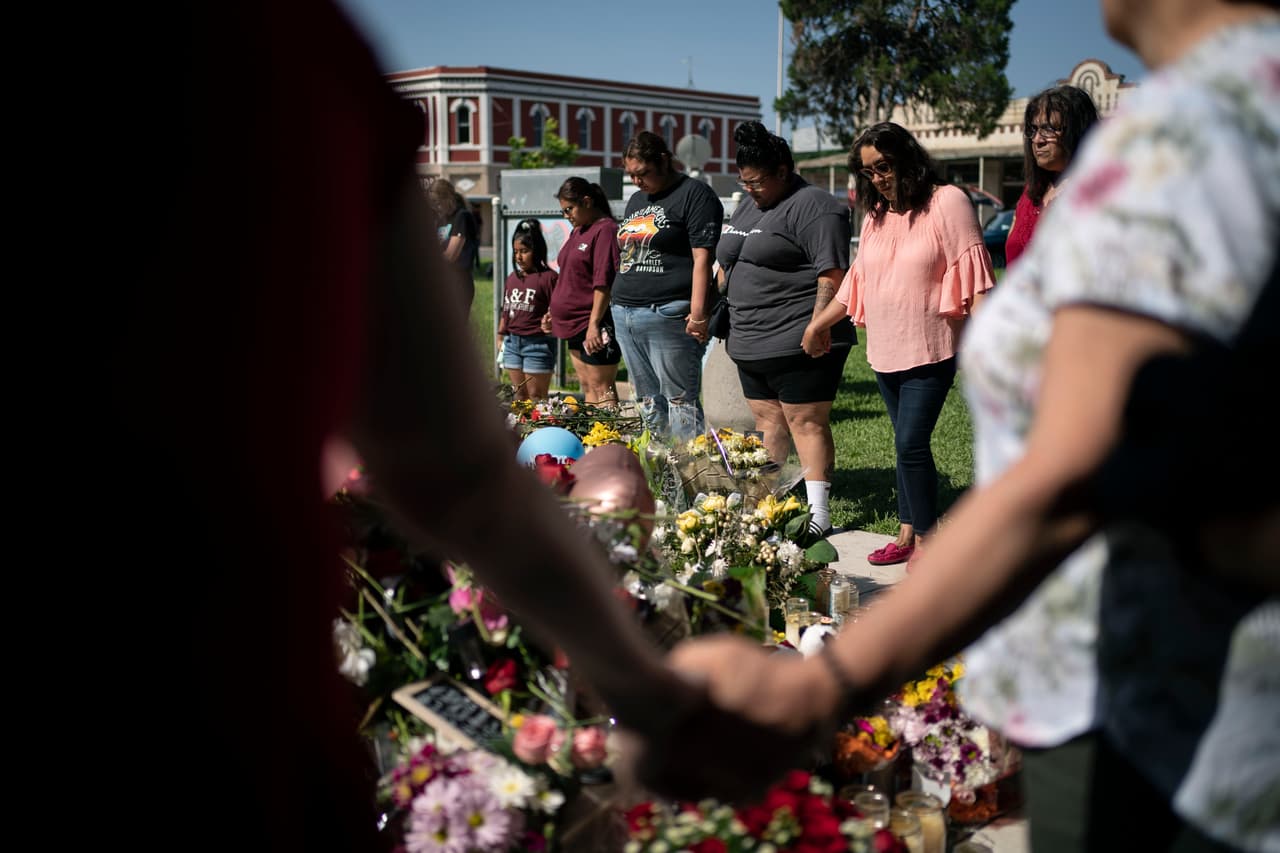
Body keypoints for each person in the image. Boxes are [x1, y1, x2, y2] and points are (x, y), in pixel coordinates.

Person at [114, 2, 813, 844]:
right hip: (251, 707)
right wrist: (649, 692)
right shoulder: (286, 63)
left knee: (664, 410)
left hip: (260, 696)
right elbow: (454, 474)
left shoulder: (295, 67)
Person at [661, 1, 1280, 849]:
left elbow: (1071, 479)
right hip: (1228, 709)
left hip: (1153, 721)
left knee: (914, 447)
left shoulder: (1191, 134)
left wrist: (824, 683)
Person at [805, 122, 995, 566]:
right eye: (868, 171)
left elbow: (977, 276)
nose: (877, 177)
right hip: (885, 351)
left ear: (907, 158)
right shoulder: (876, 215)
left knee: (911, 442)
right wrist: (819, 325)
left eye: (883, 166)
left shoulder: (948, 202)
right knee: (903, 444)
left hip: (933, 349)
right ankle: (908, 531)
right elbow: (859, 281)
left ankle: (928, 541)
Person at [719, 120, 854, 537]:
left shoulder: (817, 207)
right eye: (744, 183)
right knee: (767, 421)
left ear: (783, 171)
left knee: (805, 422)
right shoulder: (752, 203)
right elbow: (732, 258)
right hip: (750, 338)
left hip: (798, 338)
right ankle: (767, 500)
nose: (750, 190)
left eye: (757, 182)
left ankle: (818, 514)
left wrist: (817, 326)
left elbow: (832, 273)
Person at [613, 131, 724, 441]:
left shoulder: (695, 194)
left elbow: (703, 259)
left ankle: (689, 474)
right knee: (646, 400)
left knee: (679, 400)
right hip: (625, 311)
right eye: (631, 174)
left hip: (667, 312)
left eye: (642, 173)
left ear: (663, 161)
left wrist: (699, 313)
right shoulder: (637, 200)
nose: (636, 181)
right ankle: (661, 471)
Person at [1005, 85, 1100, 268]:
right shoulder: (1030, 194)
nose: (1037, 140)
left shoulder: (1098, 194)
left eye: (1048, 129)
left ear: (1078, 131)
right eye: (1033, 130)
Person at [548, 176, 622, 406]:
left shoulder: (605, 230)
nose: (566, 216)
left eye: (569, 209)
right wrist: (552, 310)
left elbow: (603, 281)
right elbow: (570, 277)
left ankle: (610, 439)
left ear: (587, 201)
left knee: (603, 389)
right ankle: (595, 439)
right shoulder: (578, 230)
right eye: (563, 211)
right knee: (587, 386)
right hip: (573, 325)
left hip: (593, 322)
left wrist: (593, 325)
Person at [497, 219, 556, 400]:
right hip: (512, 344)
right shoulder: (512, 278)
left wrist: (551, 320)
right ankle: (521, 428)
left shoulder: (549, 278)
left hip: (538, 345)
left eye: (524, 251)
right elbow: (505, 310)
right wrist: (500, 336)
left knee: (536, 397)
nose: (519, 257)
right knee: (519, 397)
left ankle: (541, 429)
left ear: (536, 251)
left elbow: (558, 309)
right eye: (516, 252)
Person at [429, 177, 478, 310]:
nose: (435, 207)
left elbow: (451, 255)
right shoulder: (441, 220)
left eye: (437, 202)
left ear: (448, 198)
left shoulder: (461, 217)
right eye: (432, 203)